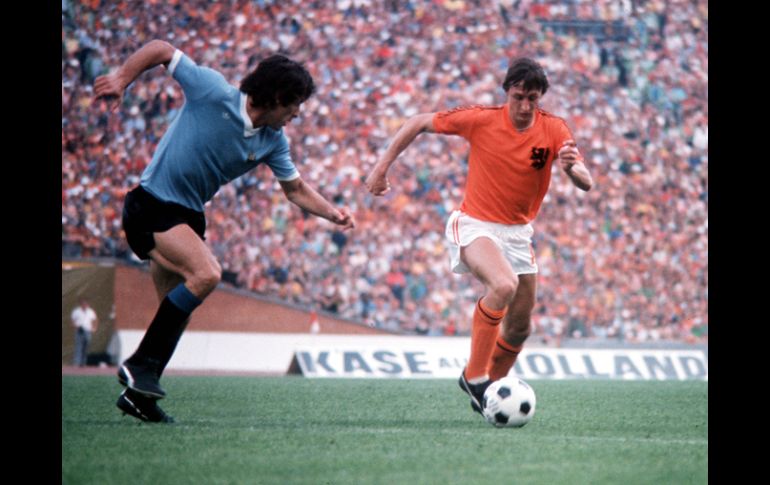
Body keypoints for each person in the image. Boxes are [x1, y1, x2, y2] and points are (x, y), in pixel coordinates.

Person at [93, 40, 355, 423]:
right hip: (151, 204)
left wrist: (333, 213)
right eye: (295, 104)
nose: (297, 113)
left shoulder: (273, 141)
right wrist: (121, 77)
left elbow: (295, 189)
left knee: (179, 312)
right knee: (207, 274)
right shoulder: (212, 91)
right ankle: (140, 365)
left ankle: (138, 396)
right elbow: (162, 49)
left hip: (189, 217)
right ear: (277, 96)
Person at [365, 57, 592, 415]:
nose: (525, 106)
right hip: (475, 224)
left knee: (519, 328)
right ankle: (474, 377)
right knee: (503, 285)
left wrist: (572, 170)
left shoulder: (554, 129)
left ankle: (488, 393)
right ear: (507, 93)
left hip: (518, 234)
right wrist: (381, 168)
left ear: (541, 98)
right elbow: (418, 121)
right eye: (518, 97)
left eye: (532, 98)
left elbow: (585, 179)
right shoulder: (481, 119)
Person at [71, 297, 99, 367]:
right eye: (83, 304)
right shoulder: (76, 311)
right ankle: (77, 363)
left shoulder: (91, 311)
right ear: (81, 304)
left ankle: (83, 363)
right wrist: (75, 326)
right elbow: (73, 321)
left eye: (86, 304)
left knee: (86, 347)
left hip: (87, 331)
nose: (85, 305)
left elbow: (95, 320)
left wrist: (94, 328)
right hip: (79, 331)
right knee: (78, 347)